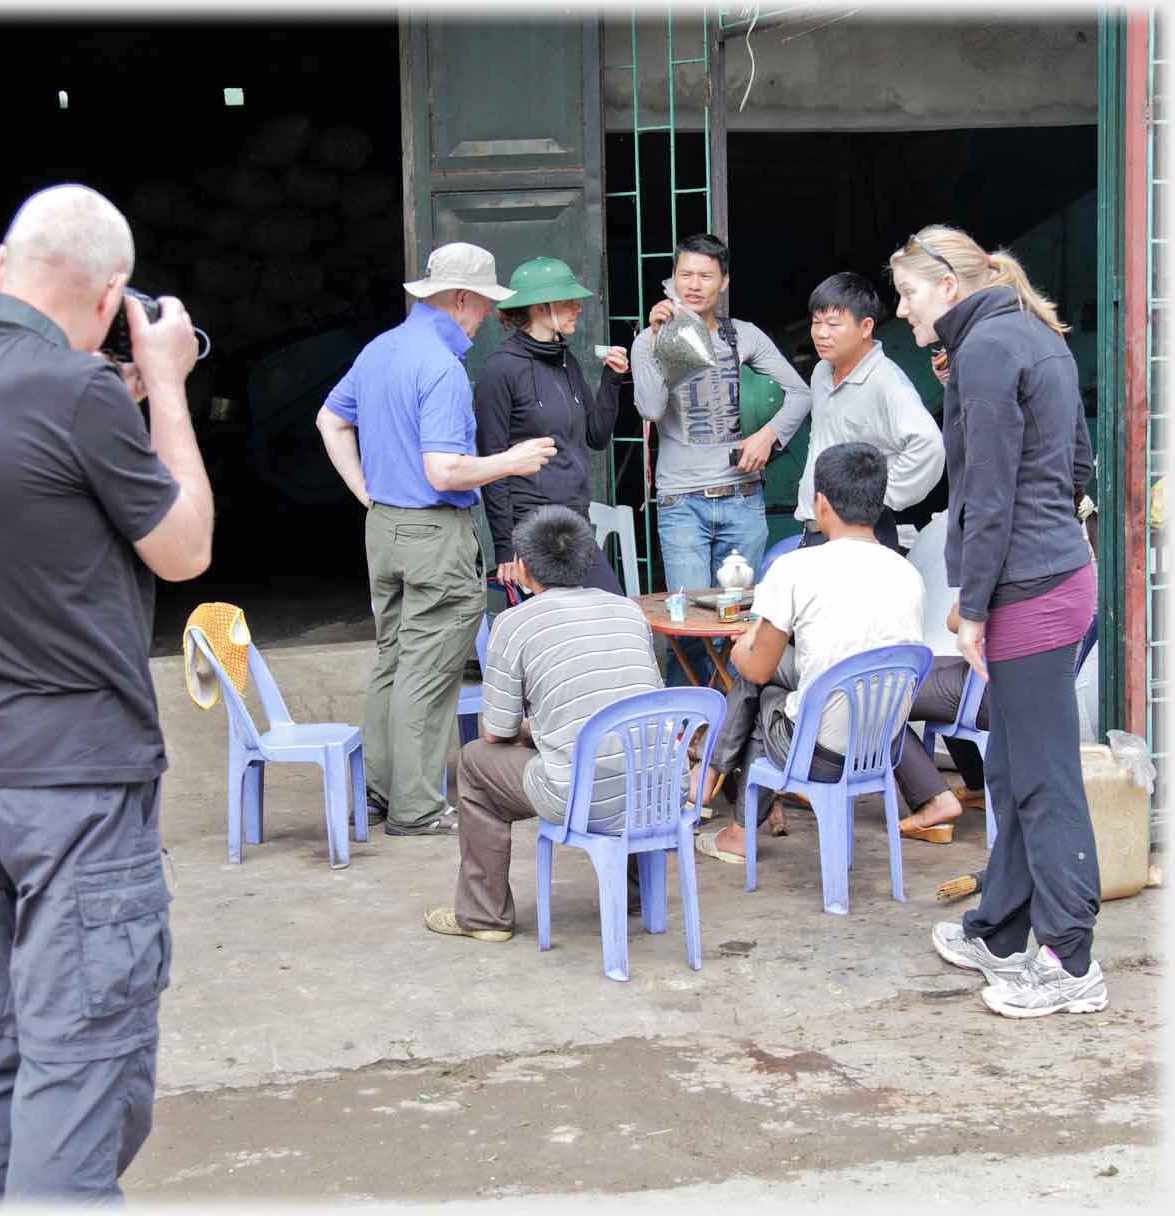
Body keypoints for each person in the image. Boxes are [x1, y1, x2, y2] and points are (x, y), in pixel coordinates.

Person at [0, 184, 213, 1200]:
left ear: (0, 265)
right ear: (115, 294)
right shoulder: (82, 396)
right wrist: (168, 387)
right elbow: (186, 547)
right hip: (75, 782)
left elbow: (25, 493)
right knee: (85, 1057)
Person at [891, 224, 1104, 1018]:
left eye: (909, 293)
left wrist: (973, 606)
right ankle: (1003, 929)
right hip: (1052, 574)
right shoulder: (1027, 335)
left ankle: (1071, 962)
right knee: (1014, 768)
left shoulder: (986, 350)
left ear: (949, 282)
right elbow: (1075, 465)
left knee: (1045, 780)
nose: (903, 311)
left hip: (1032, 589)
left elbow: (987, 494)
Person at [316, 242, 556, 836]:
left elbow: (330, 419)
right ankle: (418, 808)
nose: (482, 320)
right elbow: (444, 471)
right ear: (461, 299)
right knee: (428, 672)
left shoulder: (380, 349)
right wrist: (511, 461)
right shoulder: (442, 367)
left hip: (385, 527)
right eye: (481, 307)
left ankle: (379, 794)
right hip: (433, 530)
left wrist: (366, 491)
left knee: (392, 663)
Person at [422, 505, 664, 941]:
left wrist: (534, 731)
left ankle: (484, 916)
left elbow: (497, 730)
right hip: (658, 791)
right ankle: (639, 895)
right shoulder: (628, 611)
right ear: (587, 558)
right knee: (626, 750)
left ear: (523, 569)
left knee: (475, 761)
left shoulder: (515, 622)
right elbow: (638, 704)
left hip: (581, 797)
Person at [689, 443, 925, 865]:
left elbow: (757, 667)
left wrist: (745, 643)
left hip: (821, 753)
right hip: (882, 745)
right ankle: (710, 782)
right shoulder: (909, 574)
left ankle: (720, 801)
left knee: (759, 690)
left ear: (821, 503)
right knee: (777, 682)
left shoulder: (796, 567)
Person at [630, 233, 811, 682]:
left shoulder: (742, 336)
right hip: (681, 504)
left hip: (742, 499)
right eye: (684, 274)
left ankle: (734, 726)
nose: (693, 284)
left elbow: (800, 393)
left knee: (738, 623)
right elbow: (651, 409)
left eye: (705, 276)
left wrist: (768, 437)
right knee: (687, 623)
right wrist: (657, 342)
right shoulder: (646, 342)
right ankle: (686, 730)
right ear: (672, 280)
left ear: (723, 282)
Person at [473, 256, 630, 593]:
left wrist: (612, 380)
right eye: (567, 301)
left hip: (576, 520)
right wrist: (505, 547)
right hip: (532, 526)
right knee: (553, 633)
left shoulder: (565, 360)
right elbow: (492, 462)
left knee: (610, 605)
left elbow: (596, 436)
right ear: (541, 307)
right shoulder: (500, 370)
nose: (577, 307)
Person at [794, 272, 944, 552]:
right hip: (816, 527)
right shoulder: (821, 372)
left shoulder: (886, 381)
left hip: (863, 532)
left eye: (833, 324)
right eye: (816, 322)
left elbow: (930, 445)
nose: (821, 333)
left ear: (866, 327)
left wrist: (877, 497)